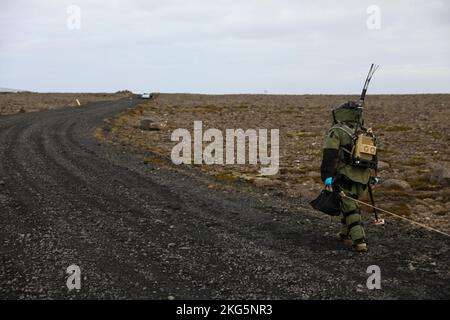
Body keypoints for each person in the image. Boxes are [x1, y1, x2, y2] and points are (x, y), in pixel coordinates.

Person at [320, 101, 378, 253]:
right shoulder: (364, 132)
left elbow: (329, 155)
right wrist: (372, 177)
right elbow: (374, 158)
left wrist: (327, 176)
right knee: (348, 204)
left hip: (346, 176)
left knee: (350, 207)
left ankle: (359, 241)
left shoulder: (337, 131)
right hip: (364, 178)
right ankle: (345, 234)